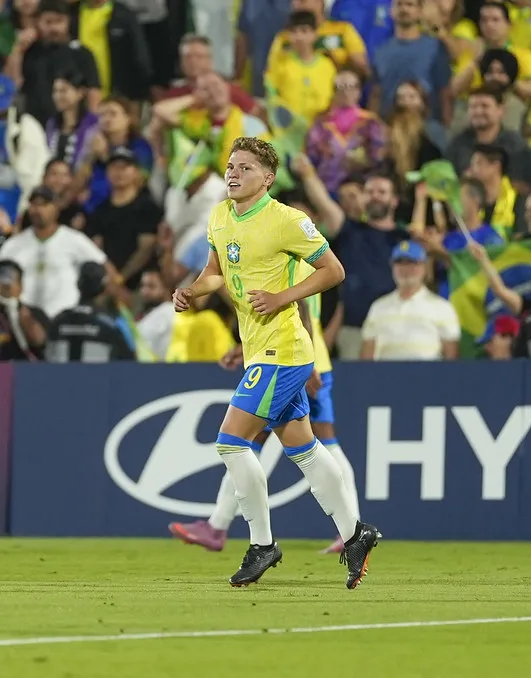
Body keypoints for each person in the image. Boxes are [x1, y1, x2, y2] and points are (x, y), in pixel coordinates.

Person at [171, 136, 379, 589]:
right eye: (229, 165)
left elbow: (334, 271)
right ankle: (356, 533)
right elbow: (215, 274)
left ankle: (262, 544)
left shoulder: (287, 220)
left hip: (282, 351)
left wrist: (282, 296)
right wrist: (191, 290)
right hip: (255, 348)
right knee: (304, 449)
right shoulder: (220, 215)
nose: (232, 173)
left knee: (230, 442)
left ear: (267, 178)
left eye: (244, 168)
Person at [169, 212, 361, 556]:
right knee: (294, 445)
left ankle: (247, 535)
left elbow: (298, 308)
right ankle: (351, 531)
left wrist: (314, 360)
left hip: (297, 360)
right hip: (283, 355)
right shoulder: (277, 253)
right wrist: (243, 348)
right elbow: (277, 313)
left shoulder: (292, 254)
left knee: (244, 441)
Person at [45, 262, 135, 362]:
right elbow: (130, 362)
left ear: (78, 285)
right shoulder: (114, 323)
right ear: (104, 287)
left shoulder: (57, 321)